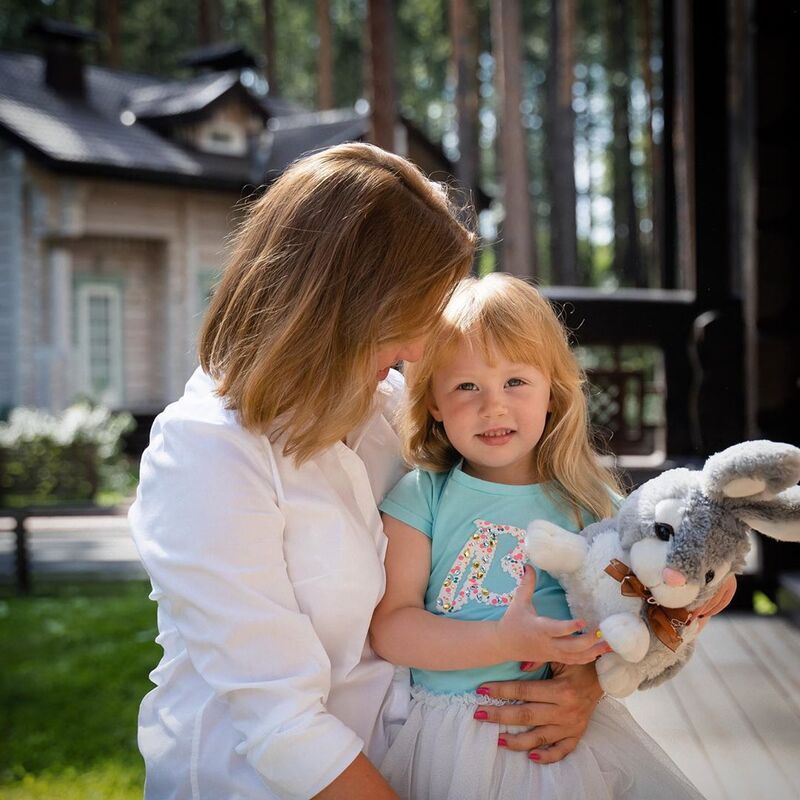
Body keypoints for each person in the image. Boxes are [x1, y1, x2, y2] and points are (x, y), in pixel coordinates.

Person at [128, 143, 633, 800]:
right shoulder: (206, 453)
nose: (421, 350)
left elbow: (619, 552)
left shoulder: (385, 409)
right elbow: (283, 726)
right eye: (407, 318)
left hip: (426, 764)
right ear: (337, 307)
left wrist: (581, 683)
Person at [370, 273, 730, 800]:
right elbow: (393, 628)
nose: (493, 406)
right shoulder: (421, 496)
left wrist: (712, 590)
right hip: (451, 738)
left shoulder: (591, 503)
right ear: (433, 405)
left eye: (515, 382)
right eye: (467, 386)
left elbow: (668, 583)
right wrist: (503, 641)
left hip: (565, 735)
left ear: (553, 394)